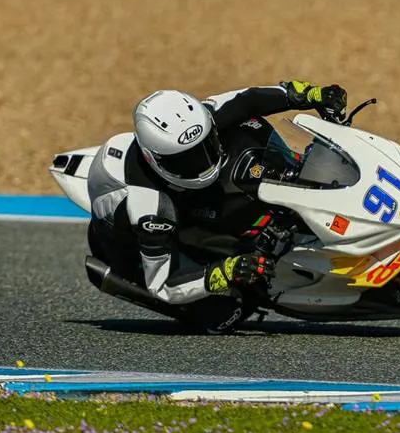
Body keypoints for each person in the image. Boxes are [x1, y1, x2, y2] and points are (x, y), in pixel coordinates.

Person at [84, 80, 347, 310]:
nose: (203, 164)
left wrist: (311, 95)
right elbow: (161, 285)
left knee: (249, 132)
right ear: (156, 161)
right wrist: (224, 272)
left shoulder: (206, 115)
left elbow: (250, 98)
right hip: (139, 238)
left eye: (206, 147)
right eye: (186, 161)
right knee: (227, 310)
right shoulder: (151, 208)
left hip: (188, 193)